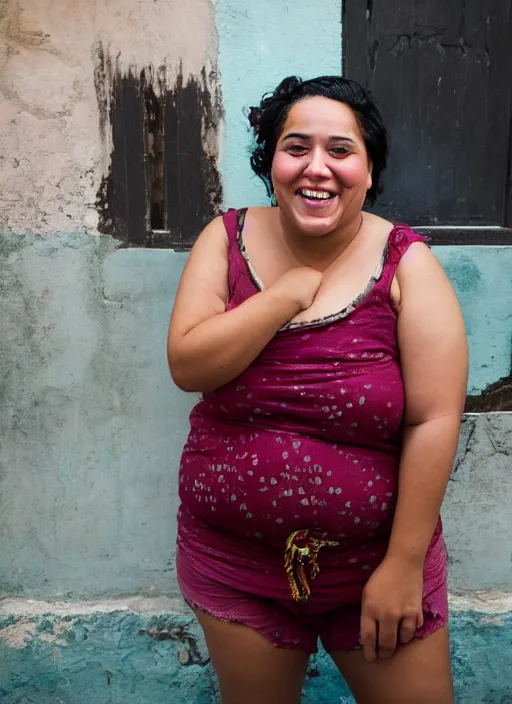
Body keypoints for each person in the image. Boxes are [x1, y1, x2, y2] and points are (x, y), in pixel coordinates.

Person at [167, 75, 468, 704]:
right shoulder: (225, 239)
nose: (317, 168)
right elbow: (189, 365)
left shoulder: (406, 264)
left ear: (368, 167)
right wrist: (282, 296)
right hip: (233, 565)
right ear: (270, 161)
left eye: (340, 150)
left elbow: (434, 419)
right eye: (296, 147)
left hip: (373, 565)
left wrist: (403, 565)